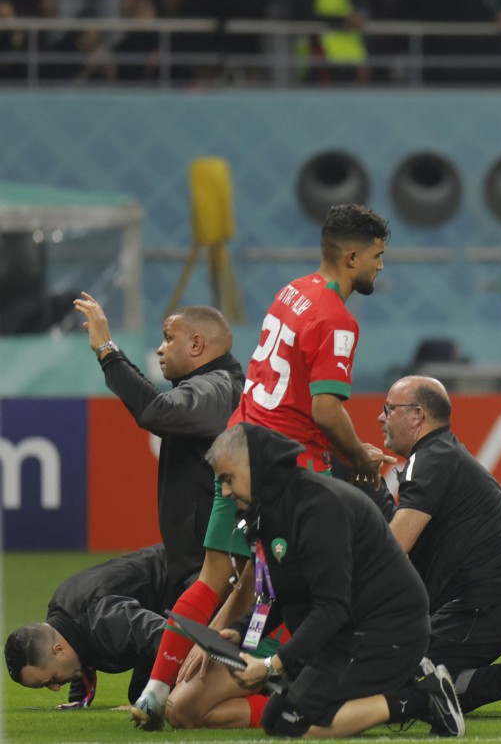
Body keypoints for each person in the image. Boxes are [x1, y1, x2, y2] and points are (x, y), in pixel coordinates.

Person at [132, 203, 396, 729]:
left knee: (218, 576)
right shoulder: (337, 320)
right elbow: (324, 408)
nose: (380, 266)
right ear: (351, 256)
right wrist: (360, 457)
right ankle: (314, 693)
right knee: (298, 585)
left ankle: (157, 691)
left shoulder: (290, 292)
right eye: (377, 256)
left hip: (240, 444)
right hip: (283, 467)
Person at [207, 423, 464, 737]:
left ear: (255, 468)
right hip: (348, 630)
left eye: (228, 479)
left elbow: (331, 608)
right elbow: (273, 594)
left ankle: (422, 699)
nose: (226, 492)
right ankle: (412, 688)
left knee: (294, 723)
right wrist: (240, 632)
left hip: (387, 630)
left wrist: (273, 664)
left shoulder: (318, 507)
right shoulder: (266, 515)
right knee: (275, 719)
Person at [379, 375, 501, 719]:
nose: (381, 418)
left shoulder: (429, 459)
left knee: (386, 688)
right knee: (399, 681)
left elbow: (393, 548)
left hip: (478, 608)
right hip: (486, 606)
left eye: (388, 409)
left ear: (416, 415)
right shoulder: (439, 454)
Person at [73, 296, 244, 594]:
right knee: (87, 592)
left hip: (208, 570)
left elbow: (158, 411)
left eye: (168, 338)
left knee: (92, 596)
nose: (159, 348)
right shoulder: (216, 386)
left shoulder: (218, 387)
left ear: (196, 345)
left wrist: (107, 350)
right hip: (194, 563)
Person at [5, 546, 175, 708]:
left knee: (165, 701)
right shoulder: (61, 626)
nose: (56, 688)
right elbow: (80, 649)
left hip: (188, 575)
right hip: (163, 603)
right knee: (142, 693)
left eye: (52, 680)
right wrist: (78, 700)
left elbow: (170, 638)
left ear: (59, 650)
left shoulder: (104, 620)